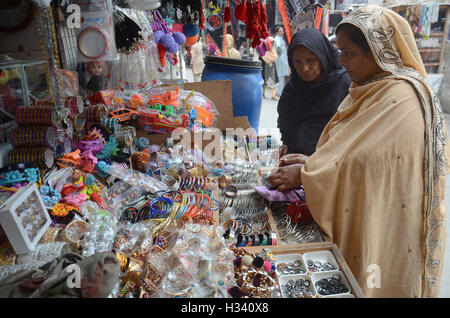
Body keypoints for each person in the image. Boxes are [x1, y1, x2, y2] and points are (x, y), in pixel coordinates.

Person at [269, 5, 449, 298]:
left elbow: (371, 162)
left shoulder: (400, 96)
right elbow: (352, 146)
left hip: (392, 214)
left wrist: (307, 173)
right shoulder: (372, 88)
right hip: (372, 203)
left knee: (378, 275)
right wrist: (314, 162)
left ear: (379, 51)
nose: (341, 60)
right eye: (340, 51)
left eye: (349, 53)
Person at [277, 28, 351, 157]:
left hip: (330, 165)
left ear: (322, 57)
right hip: (293, 162)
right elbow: (286, 128)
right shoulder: (292, 89)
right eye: (298, 62)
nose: (304, 68)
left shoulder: (343, 85)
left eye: (310, 60)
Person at [274, 26, 290, 97]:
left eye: (282, 31)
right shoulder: (277, 39)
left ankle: (279, 92)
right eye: (280, 31)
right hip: (280, 59)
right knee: (280, 75)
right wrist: (278, 51)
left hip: (282, 59)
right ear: (277, 32)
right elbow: (278, 46)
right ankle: (279, 92)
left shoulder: (280, 38)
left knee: (281, 75)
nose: (282, 32)